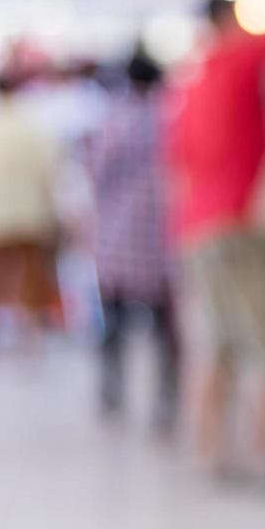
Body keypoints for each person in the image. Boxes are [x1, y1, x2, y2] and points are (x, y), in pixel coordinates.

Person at [166, 0, 265, 474]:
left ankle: (208, 450)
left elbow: (176, 165)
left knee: (211, 342)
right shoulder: (242, 57)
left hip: (195, 229)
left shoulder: (190, 78)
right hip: (240, 223)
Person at [87, 51, 178, 429]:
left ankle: (112, 393)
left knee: (113, 326)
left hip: (118, 237)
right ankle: (166, 400)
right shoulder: (170, 117)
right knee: (164, 330)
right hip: (162, 237)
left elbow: (96, 172)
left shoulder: (114, 119)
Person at [0, 70, 62, 351]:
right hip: (29, 212)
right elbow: (49, 169)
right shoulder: (32, 126)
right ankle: (28, 333)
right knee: (30, 275)